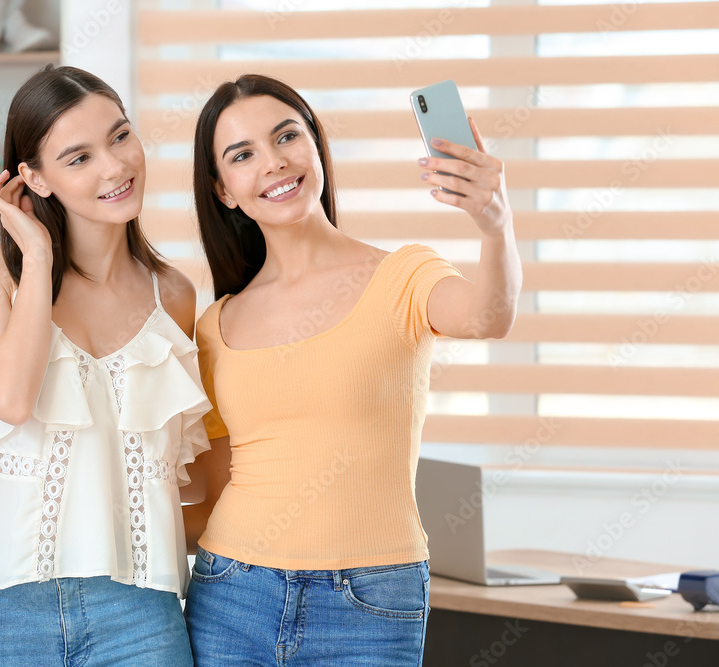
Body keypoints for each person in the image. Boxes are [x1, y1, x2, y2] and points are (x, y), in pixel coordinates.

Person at [182, 74, 522, 666]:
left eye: (286, 136)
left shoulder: (403, 277)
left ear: (316, 146)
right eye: (243, 154)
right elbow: (211, 497)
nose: (273, 162)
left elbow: (488, 317)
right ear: (225, 190)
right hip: (229, 592)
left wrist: (496, 224)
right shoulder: (214, 325)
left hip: (368, 602)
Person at [0, 65, 210, 667]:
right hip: (2, 607)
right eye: (77, 157)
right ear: (34, 178)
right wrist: (35, 253)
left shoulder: (175, 296)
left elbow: (190, 484)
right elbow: (11, 398)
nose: (114, 167)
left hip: (138, 611)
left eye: (120, 136)